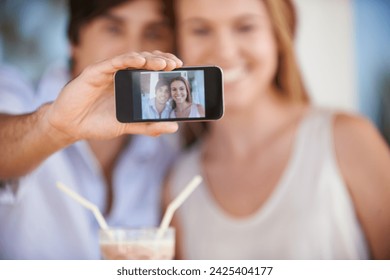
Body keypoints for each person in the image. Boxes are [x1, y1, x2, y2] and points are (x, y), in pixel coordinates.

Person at [164, 0, 390, 259]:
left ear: (278, 36)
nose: (224, 51)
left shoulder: (348, 140)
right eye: (200, 30)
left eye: (246, 27)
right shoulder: (178, 184)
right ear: (177, 42)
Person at [0, 0, 183, 259]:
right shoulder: (15, 95)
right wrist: (54, 128)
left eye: (153, 33)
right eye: (113, 28)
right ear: (74, 39)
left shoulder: (168, 148)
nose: (134, 50)